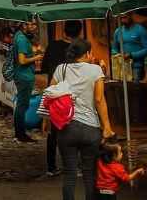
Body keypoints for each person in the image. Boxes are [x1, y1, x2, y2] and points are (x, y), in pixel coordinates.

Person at [51, 37, 114, 200]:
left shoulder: (61, 69)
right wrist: (106, 126)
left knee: (69, 175)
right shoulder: (95, 70)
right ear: (87, 53)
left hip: (66, 127)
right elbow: (99, 99)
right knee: (89, 174)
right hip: (90, 129)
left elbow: (50, 94)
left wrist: (47, 120)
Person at [41, 19, 83, 176]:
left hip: (53, 92)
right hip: (70, 94)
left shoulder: (52, 45)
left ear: (64, 30)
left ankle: (51, 167)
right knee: (71, 129)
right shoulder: (77, 50)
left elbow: (44, 67)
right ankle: (73, 166)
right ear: (79, 33)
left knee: (52, 132)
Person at [13, 20, 44, 144]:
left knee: (21, 105)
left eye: (35, 24)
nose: (35, 27)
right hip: (24, 76)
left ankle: (19, 133)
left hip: (23, 75)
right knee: (22, 106)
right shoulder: (21, 39)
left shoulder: (20, 36)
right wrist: (36, 58)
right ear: (24, 25)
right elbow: (22, 60)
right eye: (32, 24)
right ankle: (20, 134)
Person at [110, 12, 147, 83]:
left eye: (125, 17)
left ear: (131, 16)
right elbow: (114, 48)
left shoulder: (140, 30)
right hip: (122, 67)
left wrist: (131, 55)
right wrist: (117, 54)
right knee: (121, 90)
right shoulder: (118, 31)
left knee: (134, 90)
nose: (123, 20)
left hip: (136, 67)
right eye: (121, 18)